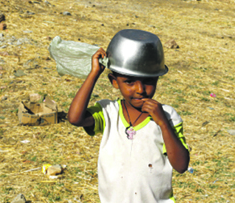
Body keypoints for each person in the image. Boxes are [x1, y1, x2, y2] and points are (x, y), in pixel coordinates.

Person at [68, 29, 190, 203]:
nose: (140, 90)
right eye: (129, 82)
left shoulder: (168, 116)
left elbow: (181, 166)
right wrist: (94, 73)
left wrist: (163, 124)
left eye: (148, 81)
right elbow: (75, 118)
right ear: (114, 82)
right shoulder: (108, 112)